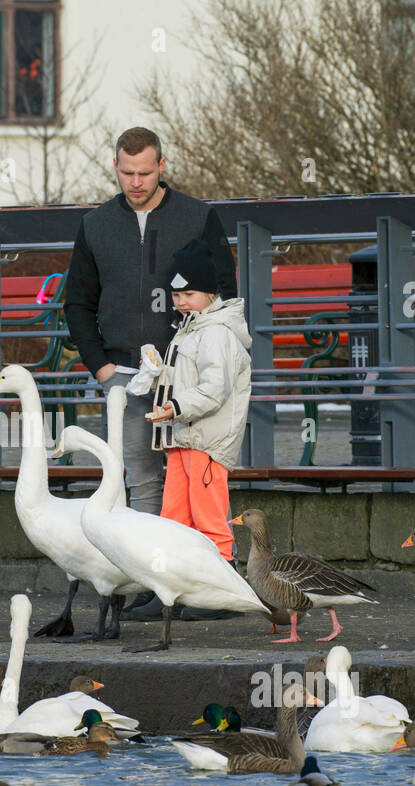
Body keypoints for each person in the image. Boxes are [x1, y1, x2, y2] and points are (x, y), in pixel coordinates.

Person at [63, 126, 238, 620]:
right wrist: (100, 366)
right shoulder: (96, 224)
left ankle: (211, 582)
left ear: (162, 165)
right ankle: (152, 582)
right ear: (115, 167)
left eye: (144, 172)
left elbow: (223, 289)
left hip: (188, 374)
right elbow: (78, 301)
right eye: (126, 172)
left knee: (198, 473)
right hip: (123, 373)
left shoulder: (197, 217)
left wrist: (201, 353)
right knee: (140, 477)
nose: (135, 182)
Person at [148, 239, 252, 588]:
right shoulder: (190, 329)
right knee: (174, 516)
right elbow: (187, 380)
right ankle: (175, 583)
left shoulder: (217, 333)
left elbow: (214, 389)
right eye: (176, 296)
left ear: (209, 293)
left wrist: (174, 407)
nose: (180, 303)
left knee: (209, 516)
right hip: (183, 437)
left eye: (189, 294)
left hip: (207, 442)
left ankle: (222, 586)